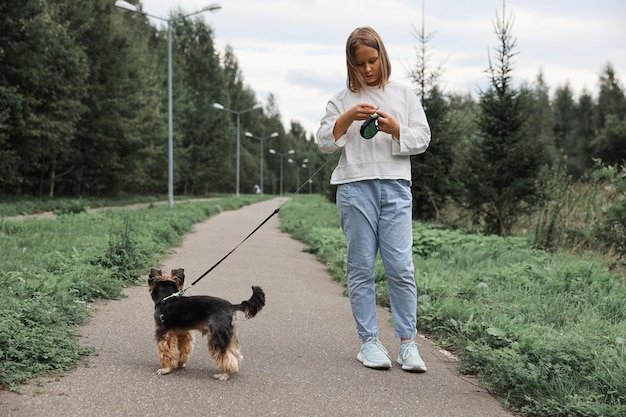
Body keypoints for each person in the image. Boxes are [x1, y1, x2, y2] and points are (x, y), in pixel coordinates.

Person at [316, 26, 430, 372]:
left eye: (372, 60)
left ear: (382, 55)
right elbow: (323, 141)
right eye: (359, 63)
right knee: (361, 267)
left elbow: (422, 137)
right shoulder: (340, 99)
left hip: (395, 187)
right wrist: (348, 116)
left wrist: (395, 129)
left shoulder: (403, 94)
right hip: (355, 188)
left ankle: (408, 344)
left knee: (400, 267)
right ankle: (369, 342)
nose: (367, 69)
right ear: (350, 64)